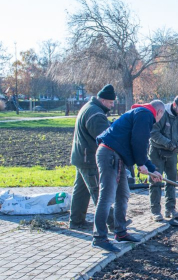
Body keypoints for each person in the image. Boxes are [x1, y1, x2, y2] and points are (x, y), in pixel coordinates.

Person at [92, 100, 164, 251]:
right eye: (160, 117)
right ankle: (99, 237)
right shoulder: (145, 114)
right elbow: (139, 142)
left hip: (117, 157)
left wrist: (152, 169)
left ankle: (120, 232)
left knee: (123, 195)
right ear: (159, 112)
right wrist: (141, 164)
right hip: (110, 155)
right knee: (107, 197)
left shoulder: (140, 113)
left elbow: (136, 145)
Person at [68, 84, 115, 230]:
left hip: (80, 156)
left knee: (81, 190)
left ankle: (76, 221)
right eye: (110, 102)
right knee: (98, 191)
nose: (112, 106)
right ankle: (113, 222)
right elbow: (104, 136)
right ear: (103, 100)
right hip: (88, 158)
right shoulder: (96, 114)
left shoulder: (89, 107)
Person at [149, 95, 178, 222]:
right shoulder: (161, 114)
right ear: (174, 105)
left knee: (172, 180)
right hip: (157, 151)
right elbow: (153, 133)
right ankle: (155, 211)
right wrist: (168, 143)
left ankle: (170, 208)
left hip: (172, 153)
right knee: (156, 180)